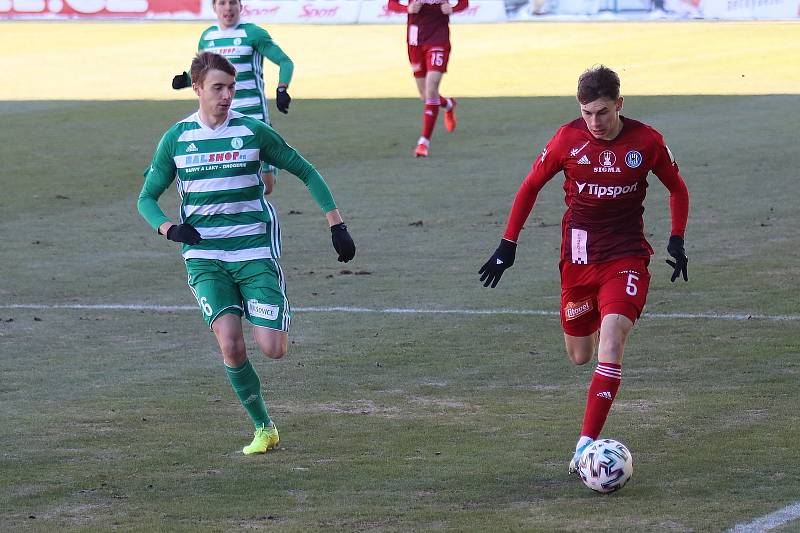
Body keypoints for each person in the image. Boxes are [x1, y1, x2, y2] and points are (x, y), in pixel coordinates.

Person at [139, 52, 356, 455]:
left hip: (254, 250)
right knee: (231, 343)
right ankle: (264, 427)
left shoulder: (253, 131)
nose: (226, 95)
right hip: (205, 257)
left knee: (274, 348)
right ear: (197, 88)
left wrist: (336, 224)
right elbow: (146, 198)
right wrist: (169, 228)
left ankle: (266, 308)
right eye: (218, 88)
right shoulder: (177, 139)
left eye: (231, 88)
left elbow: (305, 170)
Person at [478, 65, 689, 474]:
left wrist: (676, 238)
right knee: (580, 355)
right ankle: (598, 318)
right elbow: (529, 186)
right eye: (588, 112)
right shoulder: (567, 139)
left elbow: (677, 188)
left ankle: (584, 446)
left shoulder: (646, 142)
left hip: (626, 256)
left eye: (603, 112)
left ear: (619, 105)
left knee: (612, 340)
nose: (595, 121)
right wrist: (508, 243)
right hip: (578, 258)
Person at [172, 0, 294, 194]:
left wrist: (282, 89)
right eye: (222, 3)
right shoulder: (208, 37)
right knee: (229, 177)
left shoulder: (253, 33)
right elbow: (202, 73)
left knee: (266, 186)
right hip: (221, 118)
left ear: (240, 6)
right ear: (214, 7)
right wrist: (185, 80)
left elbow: (285, 61)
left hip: (253, 116)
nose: (227, 8)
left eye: (232, 3)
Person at [386, 0, 469, 157]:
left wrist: (453, 8)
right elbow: (391, 4)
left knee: (431, 89)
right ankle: (448, 104)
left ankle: (423, 143)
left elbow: (464, 3)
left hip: (439, 39)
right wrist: (407, 8)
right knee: (425, 95)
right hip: (415, 41)